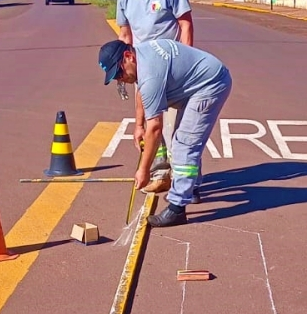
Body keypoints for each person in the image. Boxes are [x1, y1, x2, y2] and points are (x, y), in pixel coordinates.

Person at [99, 37, 232, 228]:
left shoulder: (150, 74)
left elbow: (155, 128)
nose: (120, 79)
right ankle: (190, 188)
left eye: (118, 73)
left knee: (184, 145)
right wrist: (138, 126)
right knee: (184, 138)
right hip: (198, 83)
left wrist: (143, 170)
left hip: (210, 85)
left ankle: (177, 208)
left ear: (128, 56)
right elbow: (141, 93)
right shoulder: (141, 58)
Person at [115, 0, 194, 193]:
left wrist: (186, 61)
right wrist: (123, 73)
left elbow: (184, 23)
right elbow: (125, 37)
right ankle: (161, 173)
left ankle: (189, 186)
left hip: (172, 70)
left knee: (177, 134)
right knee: (149, 127)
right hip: (144, 70)